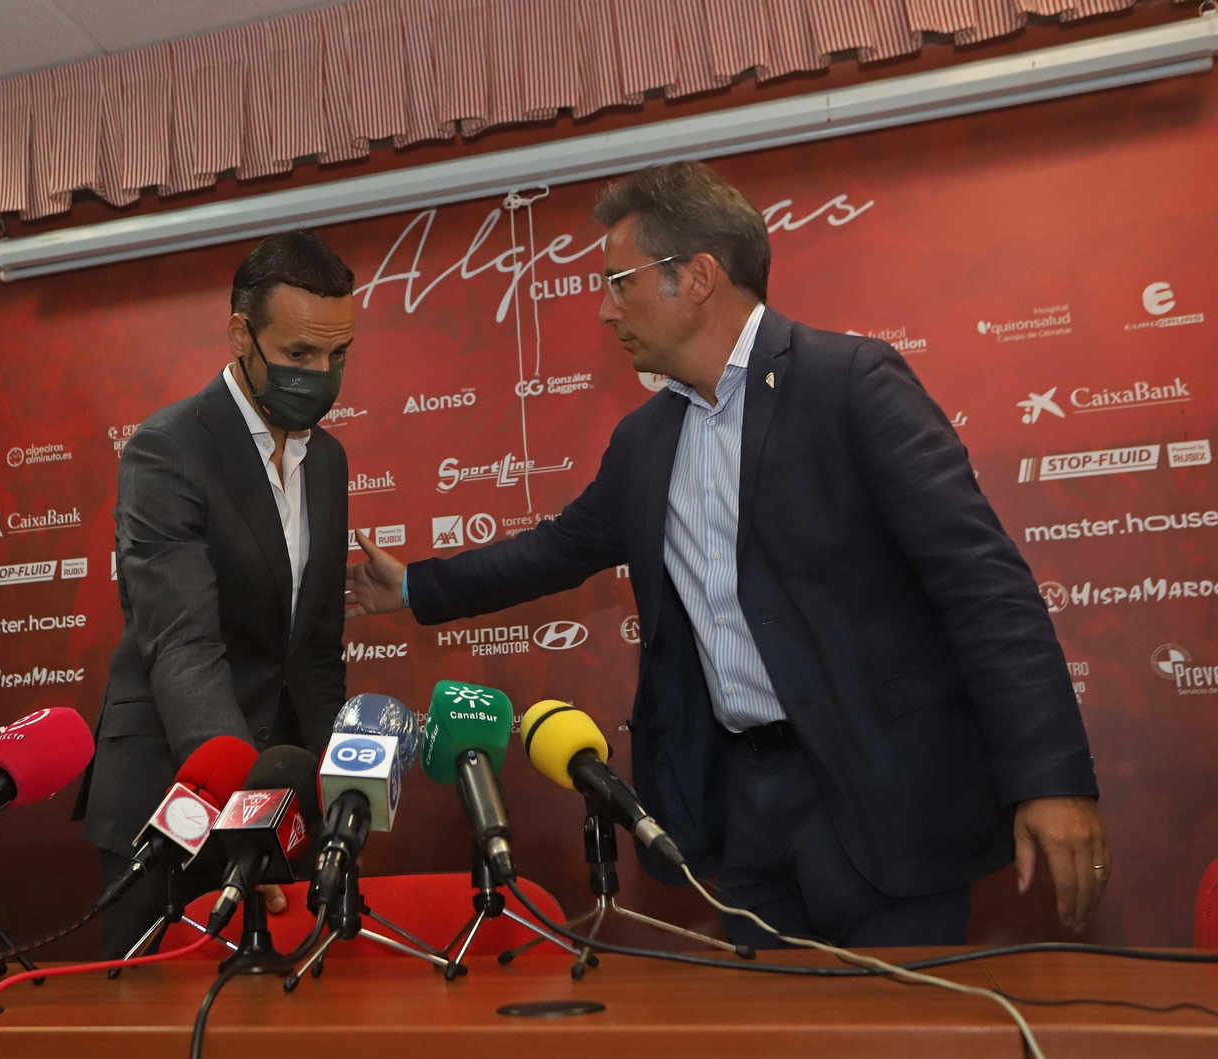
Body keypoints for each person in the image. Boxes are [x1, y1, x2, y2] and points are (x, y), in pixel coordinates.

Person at [346, 162, 1110, 948]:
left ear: (699, 277)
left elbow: (983, 585)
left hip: (883, 792)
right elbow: (556, 549)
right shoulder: (645, 441)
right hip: (746, 805)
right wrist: (412, 585)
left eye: (619, 282)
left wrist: (1050, 779)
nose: (605, 310)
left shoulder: (850, 384)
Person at [77, 231, 355, 956]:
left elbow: (315, 655)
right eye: (299, 354)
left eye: (337, 355)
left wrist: (332, 803)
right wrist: (240, 810)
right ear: (241, 334)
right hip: (174, 796)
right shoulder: (168, 448)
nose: (321, 374)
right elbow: (182, 644)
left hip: (279, 801)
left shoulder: (327, 460)